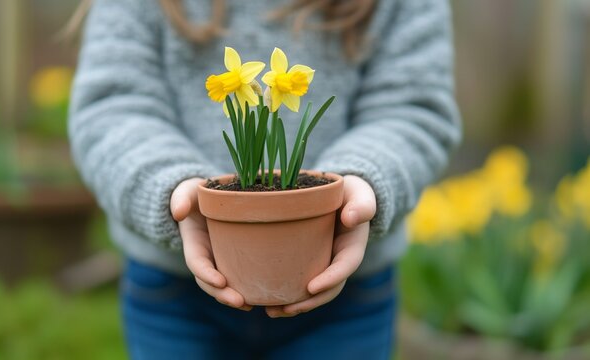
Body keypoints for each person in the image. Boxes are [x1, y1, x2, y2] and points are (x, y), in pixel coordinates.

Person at [68, 0, 461, 358]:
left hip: (347, 292)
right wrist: (174, 189)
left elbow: (412, 109)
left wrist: (357, 185)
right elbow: (112, 107)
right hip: (174, 293)